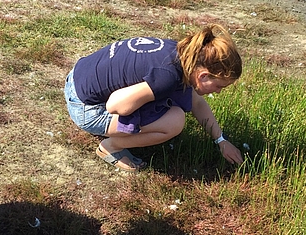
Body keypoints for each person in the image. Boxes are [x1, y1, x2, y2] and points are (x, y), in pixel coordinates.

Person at [64, 24, 244, 171]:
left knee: (175, 98)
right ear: (203, 76)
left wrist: (221, 140)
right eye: (219, 86)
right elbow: (114, 105)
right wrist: (136, 106)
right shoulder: (166, 78)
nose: (218, 92)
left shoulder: (183, 53)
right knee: (174, 121)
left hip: (75, 76)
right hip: (86, 108)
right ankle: (111, 147)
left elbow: (196, 102)